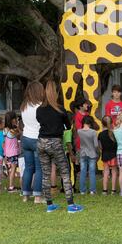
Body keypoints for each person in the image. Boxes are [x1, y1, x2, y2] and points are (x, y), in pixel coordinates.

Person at [37, 80, 83, 213]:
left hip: (41, 142)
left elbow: (40, 121)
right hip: (55, 143)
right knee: (64, 172)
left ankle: (49, 205)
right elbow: (68, 126)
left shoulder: (39, 109)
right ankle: (71, 205)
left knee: (46, 174)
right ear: (56, 93)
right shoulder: (60, 109)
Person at [20, 81, 44, 204]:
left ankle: (25, 195)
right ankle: (38, 196)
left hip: (25, 138)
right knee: (39, 168)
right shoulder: (40, 106)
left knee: (28, 168)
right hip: (37, 138)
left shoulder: (24, 105)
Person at [73, 98, 91, 189]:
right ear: (81, 106)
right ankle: (81, 186)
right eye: (85, 104)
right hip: (81, 143)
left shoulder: (88, 114)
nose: (87, 105)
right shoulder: (77, 116)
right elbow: (79, 129)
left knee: (88, 165)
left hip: (89, 144)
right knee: (81, 165)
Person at [78, 115, 99, 195]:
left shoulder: (79, 131)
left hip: (83, 153)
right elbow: (96, 145)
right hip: (92, 153)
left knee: (83, 171)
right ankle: (92, 190)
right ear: (90, 123)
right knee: (92, 172)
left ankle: (82, 190)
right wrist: (97, 152)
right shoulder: (93, 132)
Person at [98, 116, 118, 195]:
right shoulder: (114, 133)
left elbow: (100, 146)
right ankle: (113, 190)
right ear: (112, 123)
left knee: (106, 172)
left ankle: (104, 190)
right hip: (114, 155)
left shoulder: (100, 134)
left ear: (102, 124)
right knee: (114, 172)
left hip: (105, 155)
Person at [4, 111, 20, 192]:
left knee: (12, 169)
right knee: (13, 169)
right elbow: (20, 133)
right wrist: (18, 125)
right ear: (12, 119)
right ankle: (11, 187)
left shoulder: (5, 130)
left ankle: (11, 186)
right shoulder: (12, 131)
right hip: (13, 152)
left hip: (8, 153)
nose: (16, 119)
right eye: (15, 118)